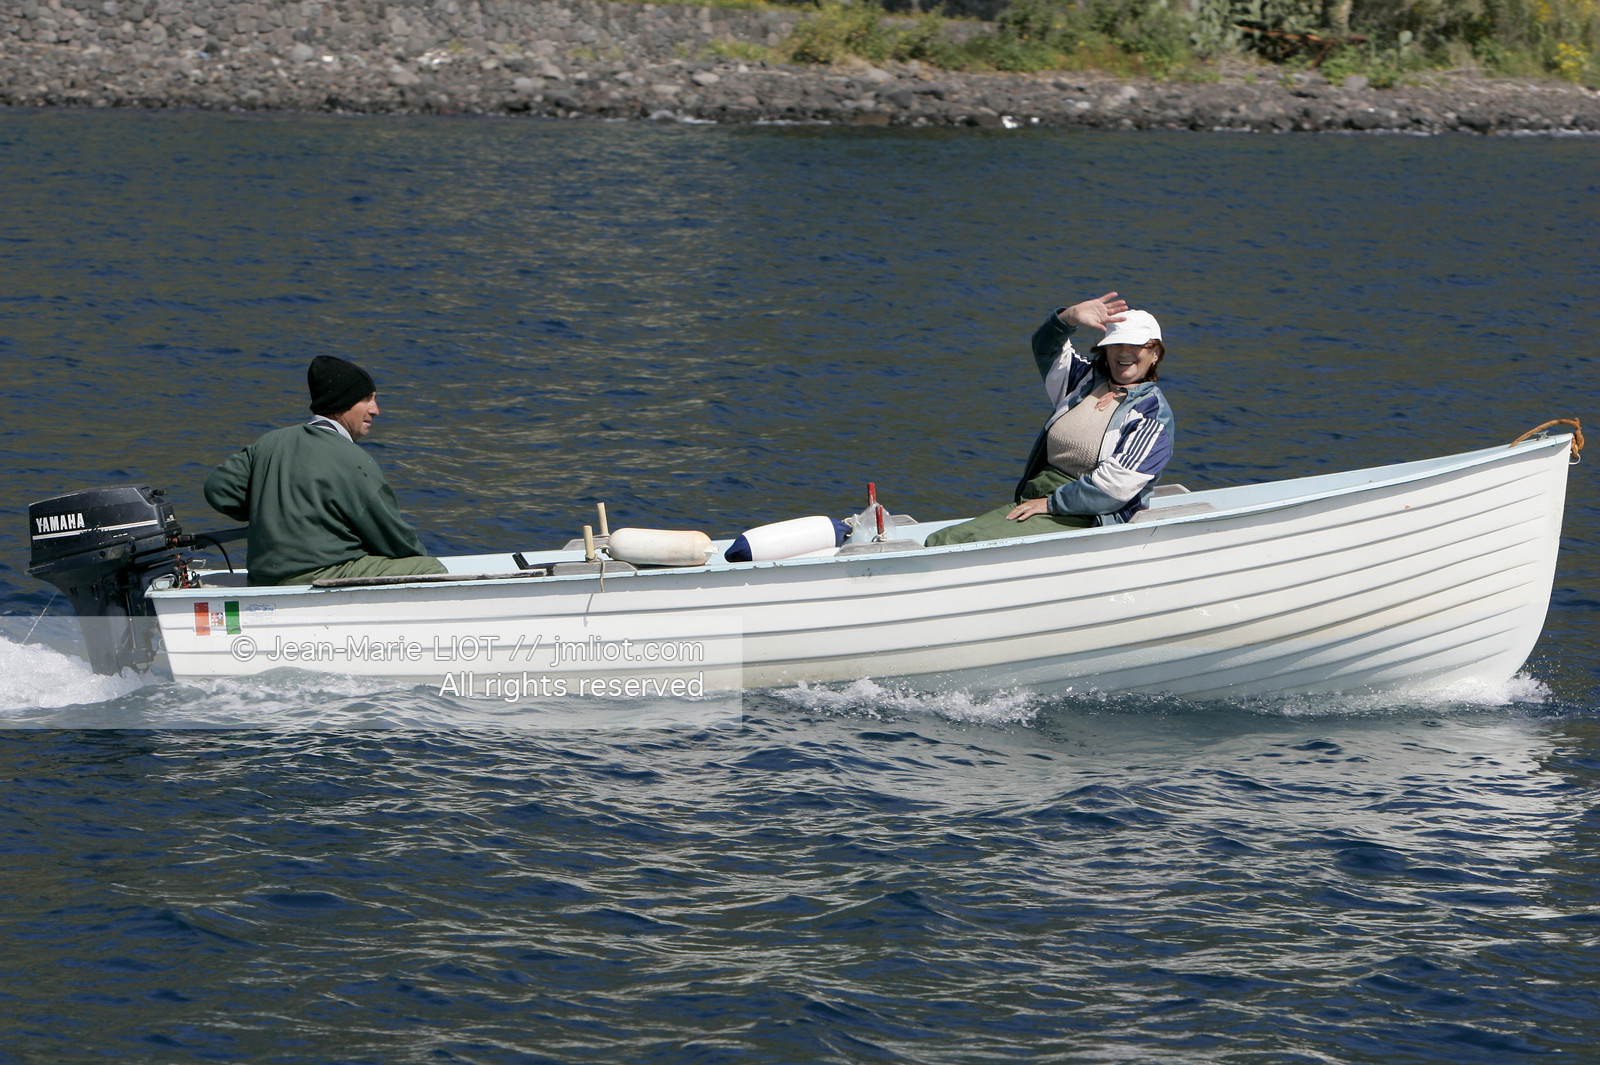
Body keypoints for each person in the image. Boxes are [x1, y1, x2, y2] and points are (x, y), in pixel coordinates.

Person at [926, 291, 1174, 546]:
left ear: (1155, 353)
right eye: (1116, 344)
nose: (1124, 353)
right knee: (941, 539)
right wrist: (1068, 318)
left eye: (1135, 345)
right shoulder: (1082, 381)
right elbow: (1046, 348)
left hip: (1087, 515)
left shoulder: (1152, 415)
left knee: (970, 544)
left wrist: (1050, 503)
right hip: (1038, 497)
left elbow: (1114, 489)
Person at [204, 355, 448, 585]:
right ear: (343, 402)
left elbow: (218, 490)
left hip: (264, 577)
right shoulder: (353, 459)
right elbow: (393, 537)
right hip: (319, 576)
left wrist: (270, 512)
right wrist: (419, 558)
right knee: (431, 569)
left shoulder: (269, 442)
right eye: (367, 399)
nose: (375, 409)